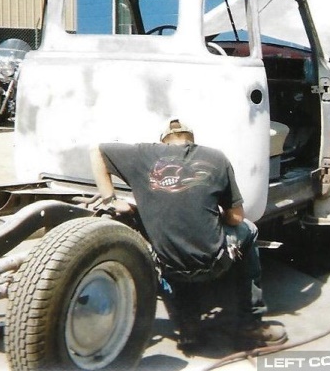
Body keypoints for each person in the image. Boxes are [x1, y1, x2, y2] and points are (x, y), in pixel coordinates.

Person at [90, 118, 287, 351]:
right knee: (249, 231)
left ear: (163, 142)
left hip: (168, 268)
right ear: (191, 141)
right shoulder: (216, 158)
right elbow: (236, 218)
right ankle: (250, 324)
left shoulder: (142, 154)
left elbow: (97, 151)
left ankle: (188, 328)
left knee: (166, 243)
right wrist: (217, 216)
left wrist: (110, 199)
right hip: (214, 262)